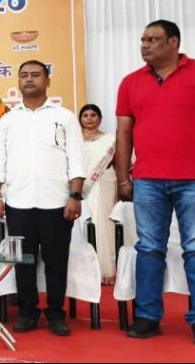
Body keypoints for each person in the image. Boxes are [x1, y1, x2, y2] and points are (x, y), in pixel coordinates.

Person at [116, 20, 195, 346]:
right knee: (148, 248)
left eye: (153, 39)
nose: (145, 45)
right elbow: (123, 132)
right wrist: (123, 177)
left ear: (173, 42)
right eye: (143, 39)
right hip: (147, 181)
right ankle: (147, 317)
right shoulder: (130, 82)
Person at [0, 60, 85, 337]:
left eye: (36, 75)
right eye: (24, 75)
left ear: (47, 81)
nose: (29, 79)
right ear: (18, 82)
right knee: (23, 262)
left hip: (56, 202)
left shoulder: (65, 117)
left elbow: (77, 160)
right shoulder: (8, 120)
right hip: (18, 202)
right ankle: (28, 312)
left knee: (56, 261)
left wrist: (75, 196)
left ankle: (55, 313)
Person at [79, 104, 116, 284]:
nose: (89, 118)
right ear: (80, 119)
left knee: (102, 223)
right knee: (83, 224)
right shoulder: (75, 140)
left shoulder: (109, 140)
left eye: (93, 115)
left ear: (100, 119)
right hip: (80, 187)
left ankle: (104, 269)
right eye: (85, 115)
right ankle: (85, 271)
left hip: (104, 183)